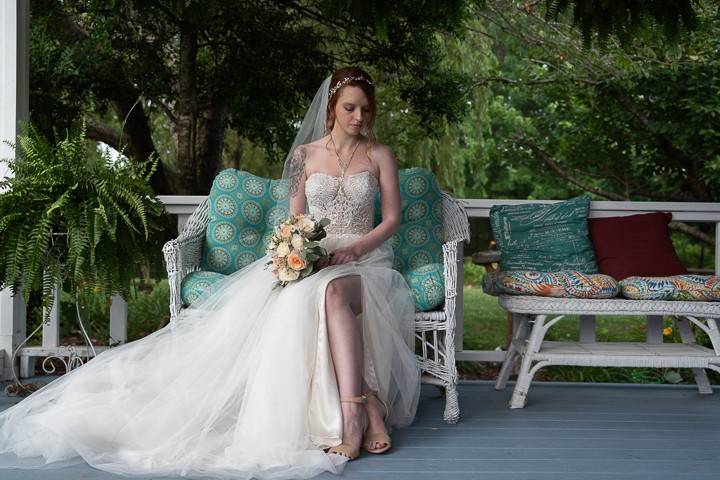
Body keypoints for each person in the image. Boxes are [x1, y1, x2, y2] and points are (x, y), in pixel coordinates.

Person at [0, 66, 421, 479]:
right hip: (314, 258)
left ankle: (353, 416)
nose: (359, 118)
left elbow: (391, 221)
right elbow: (295, 222)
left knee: (331, 295)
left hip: (366, 262)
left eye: (366, 110)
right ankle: (367, 410)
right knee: (314, 297)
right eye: (350, 108)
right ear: (332, 107)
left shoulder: (380, 154)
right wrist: (301, 252)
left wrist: (354, 249)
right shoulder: (303, 157)